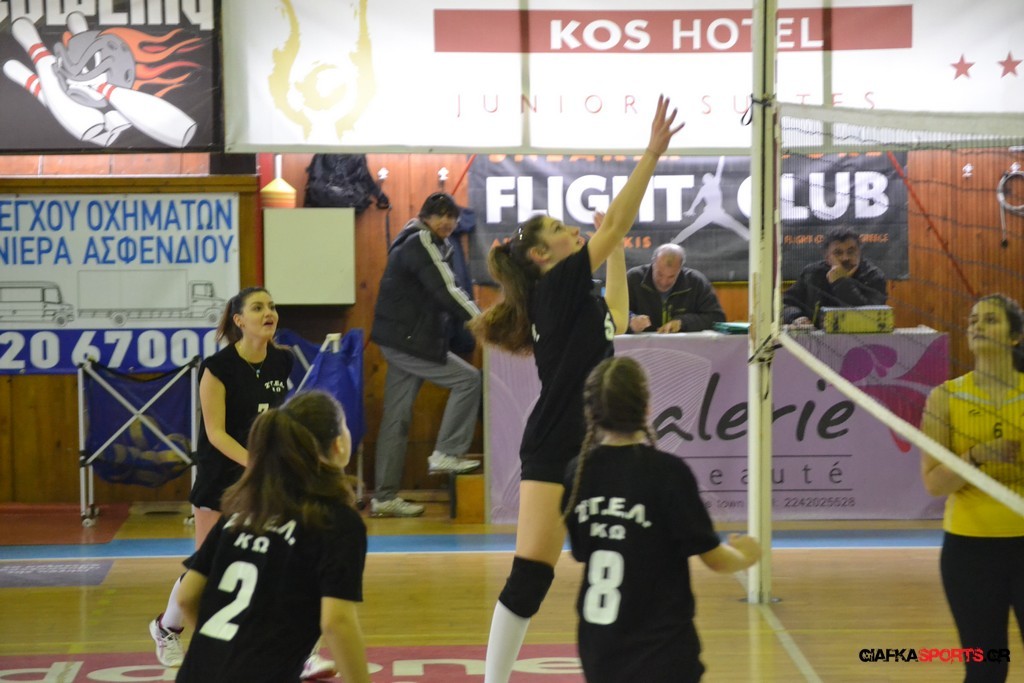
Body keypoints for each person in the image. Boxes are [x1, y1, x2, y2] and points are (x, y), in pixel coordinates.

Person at [469, 95, 686, 683]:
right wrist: (652, 154)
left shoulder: (569, 295)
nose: (573, 230)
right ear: (543, 255)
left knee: (629, 559)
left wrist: (613, 253)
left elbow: (615, 314)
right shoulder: (556, 285)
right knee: (531, 574)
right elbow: (615, 225)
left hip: (598, 444)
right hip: (555, 443)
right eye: (561, 229)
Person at [562, 356, 761, 682]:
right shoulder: (667, 473)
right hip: (662, 651)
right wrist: (746, 556)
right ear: (646, 408)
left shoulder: (578, 472)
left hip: (599, 652)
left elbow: (582, 551)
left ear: (590, 412)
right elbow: (715, 559)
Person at [175, 390, 370, 683]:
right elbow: (336, 622)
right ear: (339, 444)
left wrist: (221, 650)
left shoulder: (243, 509)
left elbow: (186, 597)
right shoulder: (335, 521)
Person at [150, 287, 294, 668]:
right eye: (258, 307)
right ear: (239, 320)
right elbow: (216, 434)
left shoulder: (283, 361)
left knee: (273, 562)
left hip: (261, 480)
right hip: (221, 478)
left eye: (271, 306)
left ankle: (295, 649)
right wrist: (255, 462)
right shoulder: (218, 367)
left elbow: (275, 420)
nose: (269, 312)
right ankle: (166, 628)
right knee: (207, 566)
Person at [921, 294, 1024, 683]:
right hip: (970, 554)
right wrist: (977, 456)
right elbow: (934, 484)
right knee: (986, 668)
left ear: (1014, 336)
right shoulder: (945, 398)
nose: (978, 326)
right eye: (973, 321)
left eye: (991, 320)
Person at [370, 191, 483, 518]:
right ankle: (447, 452)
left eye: (452, 216)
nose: (447, 222)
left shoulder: (427, 241)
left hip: (402, 339)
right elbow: (448, 290)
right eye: (440, 215)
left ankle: (384, 497)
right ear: (425, 217)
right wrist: (483, 322)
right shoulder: (421, 240)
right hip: (409, 341)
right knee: (468, 380)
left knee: (397, 418)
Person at [781, 227, 887, 328]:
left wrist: (840, 282)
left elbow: (868, 316)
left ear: (859, 252)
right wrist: (796, 317)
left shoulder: (874, 276)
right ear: (827, 258)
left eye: (851, 252)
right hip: (816, 337)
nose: (845, 258)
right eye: (838, 253)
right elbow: (785, 303)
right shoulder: (812, 274)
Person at [626, 243, 725, 333]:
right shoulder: (633, 278)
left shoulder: (696, 282)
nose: (664, 282)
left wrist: (683, 323)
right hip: (640, 345)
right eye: (659, 274)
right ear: (653, 264)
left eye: (671, 276)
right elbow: (617, 315)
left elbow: (717, 318)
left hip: (684, 345)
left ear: (680, 269)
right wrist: (631, 321)